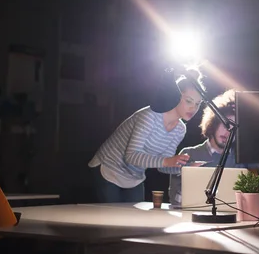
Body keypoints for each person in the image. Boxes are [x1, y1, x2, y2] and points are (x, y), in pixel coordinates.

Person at [88, 68, 205, 203]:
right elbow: (131, 156)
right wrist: (168, 160)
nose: (193, 108)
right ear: (175, 96)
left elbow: (162, 165)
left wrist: (185, 168)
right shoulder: (150, 116)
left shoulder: (180, 129)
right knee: (112, 220)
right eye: (189, 101)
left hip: (133, 177)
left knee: (135, 222)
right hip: (108, 168)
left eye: (198, 104)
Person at [169, 89, 246, 207]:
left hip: (229, 218)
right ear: (213, 123)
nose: (228, 132)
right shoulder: (188, 154)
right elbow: (174, 199)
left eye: (233, 128)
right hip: (191, 217)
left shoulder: (240, 161)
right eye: (225, 125)